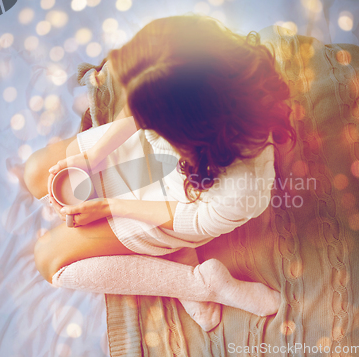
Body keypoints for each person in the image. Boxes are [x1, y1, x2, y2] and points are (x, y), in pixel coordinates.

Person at [23, 14, 295, 332]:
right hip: (153, 152)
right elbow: (145, 105)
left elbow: (184, 216)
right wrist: (92, 156)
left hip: (170, 209)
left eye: (149, 116)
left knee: (48, 260)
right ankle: (179, 258)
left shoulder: (243, 189)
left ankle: (198, 284)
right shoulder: (186, 70)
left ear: (185, 130)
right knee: (34, 173)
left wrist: (108, 207)